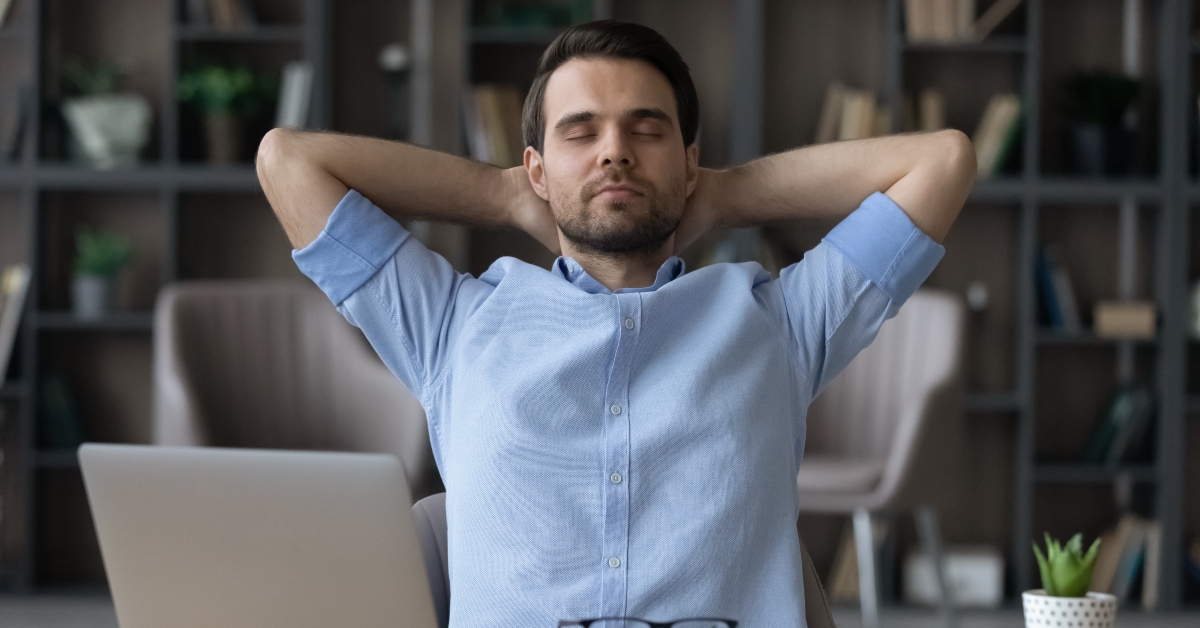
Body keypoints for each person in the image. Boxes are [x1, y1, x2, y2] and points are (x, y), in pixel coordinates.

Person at [256, 19, 974, 628]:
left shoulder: (779, 324)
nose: (614, 151)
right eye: (581, 132)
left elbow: (942, 160)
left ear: (689, 162)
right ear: (537, 168)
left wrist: (724, 195)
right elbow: (288, 161)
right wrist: (502, 194)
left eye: (646, 129)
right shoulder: (454, 326)